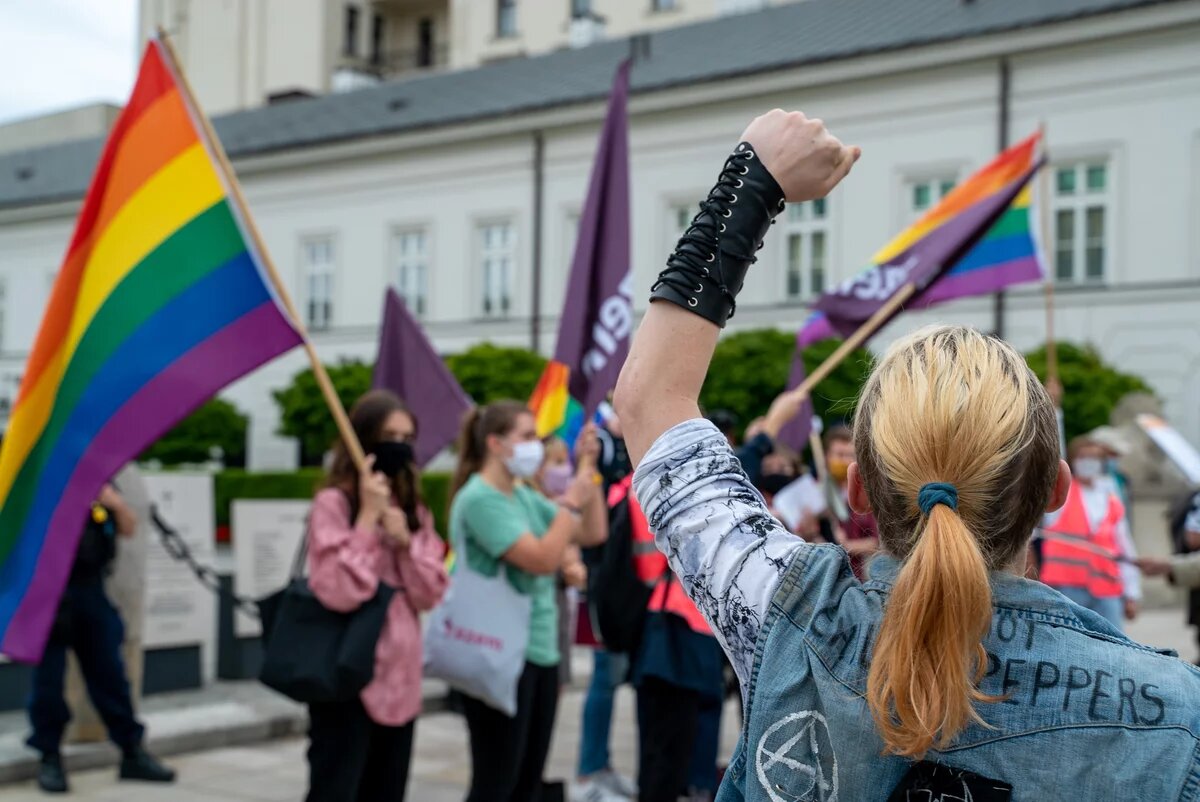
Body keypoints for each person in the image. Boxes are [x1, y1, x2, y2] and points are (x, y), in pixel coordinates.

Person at [613, 109, 1200, 799]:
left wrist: (753, 178)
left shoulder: (788, 617)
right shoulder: (1174, 717)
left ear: (859, 488)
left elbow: (650, 398)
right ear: (1056, 488)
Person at [450, 401, 607, 802]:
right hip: (498, 653)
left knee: (526, 780)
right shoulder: (480, 499)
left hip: (539, 650)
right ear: (495, 443)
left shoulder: (521, 495)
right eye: (527, 437)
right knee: (496, 781)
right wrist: (571, 501)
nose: (535, 446)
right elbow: (540, 559)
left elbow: (589, 534)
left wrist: (588, 471)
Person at [304, 390, 448, 802]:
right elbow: (338, 590)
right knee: (336, 788)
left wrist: (405, 541)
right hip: (347, 673)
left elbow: (430, 592)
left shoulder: (413, 510)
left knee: (387, 790)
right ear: (364, 440)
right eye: (388, 435)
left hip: (400, 677)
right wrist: (367, 519)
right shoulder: (334, 503)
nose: (398, 446)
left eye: (406, 436)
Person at [28, 482, 175, 794]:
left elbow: (128, 528)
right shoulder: (36, 476)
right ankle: (50, 757)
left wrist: (114, 502)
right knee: (48, 685)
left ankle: (131, 752)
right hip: (46, 592)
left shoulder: (98, 480)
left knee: (110, 676)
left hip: (90, 589)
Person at [575, 411, 640, 802]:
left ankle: (602, 765)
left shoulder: (631, 445)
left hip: (630, 586)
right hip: (603, 583)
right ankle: (589, 771)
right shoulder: (600, 446)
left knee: (615, 679)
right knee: (604, 676)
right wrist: (590, 456)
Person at [1038, 436, 1141, 630]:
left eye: (1094, 458)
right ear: (1073, 461)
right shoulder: (1062, 495)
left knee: (1113, 648)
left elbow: (1124, 546)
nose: (1088, 463)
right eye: (1083, 457)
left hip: (1107, 588)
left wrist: (1132, 594)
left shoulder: (1111, 500)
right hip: (1066, 588)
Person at [819, 425, 879, 578]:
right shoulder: (817, 492)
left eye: (850, 455)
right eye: (839, 455)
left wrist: (846, 546)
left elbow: (878, 542)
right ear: (827, 457)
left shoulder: (868, 493)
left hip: (862, 577)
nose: (845, 461)